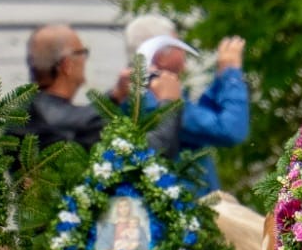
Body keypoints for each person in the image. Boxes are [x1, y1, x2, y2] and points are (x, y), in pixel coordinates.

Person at [115, 30, 249, 196]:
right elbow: (230, 129)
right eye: (178, 45)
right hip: (180, 205)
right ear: (160, 55)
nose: (184, 52)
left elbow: (203, 117)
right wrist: (231, 74)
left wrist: (221, 78)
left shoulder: (143, 92)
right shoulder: (152, 99)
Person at [16, 23, 182, 154]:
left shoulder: (26, 114)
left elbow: (77, 118)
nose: (85, 59)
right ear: (67, 65)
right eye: (82, 52)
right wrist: (169, 102)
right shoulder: (62, 124)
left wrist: (116, 95)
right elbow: (149, 153)